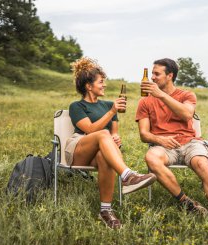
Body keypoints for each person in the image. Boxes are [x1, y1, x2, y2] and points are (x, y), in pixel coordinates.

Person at [136, 58, 208, 232]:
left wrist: (161, 95)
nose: (152, 77)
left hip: (190, 142)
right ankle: (186, 202)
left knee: (202, 163)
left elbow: (187, 114)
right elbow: (144, 134)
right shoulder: (145, 102)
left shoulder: (186, 95)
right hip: (164, 146)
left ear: (170, 76)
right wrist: (160, 140)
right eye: (151, 73)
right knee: (151, 157)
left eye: (156, 74)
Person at [66, 57, 157, 229]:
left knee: (105, 155)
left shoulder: (108, 104)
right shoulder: (76, 106)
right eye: (101, 82)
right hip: (79, 150)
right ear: (88, 86)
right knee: (102, 134)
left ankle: (105, 211)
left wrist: (116, 139)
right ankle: (128, 176)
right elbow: (91, 130)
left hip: (101, 148)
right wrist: (112, 112)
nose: (104, 85)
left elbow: (114, 134)